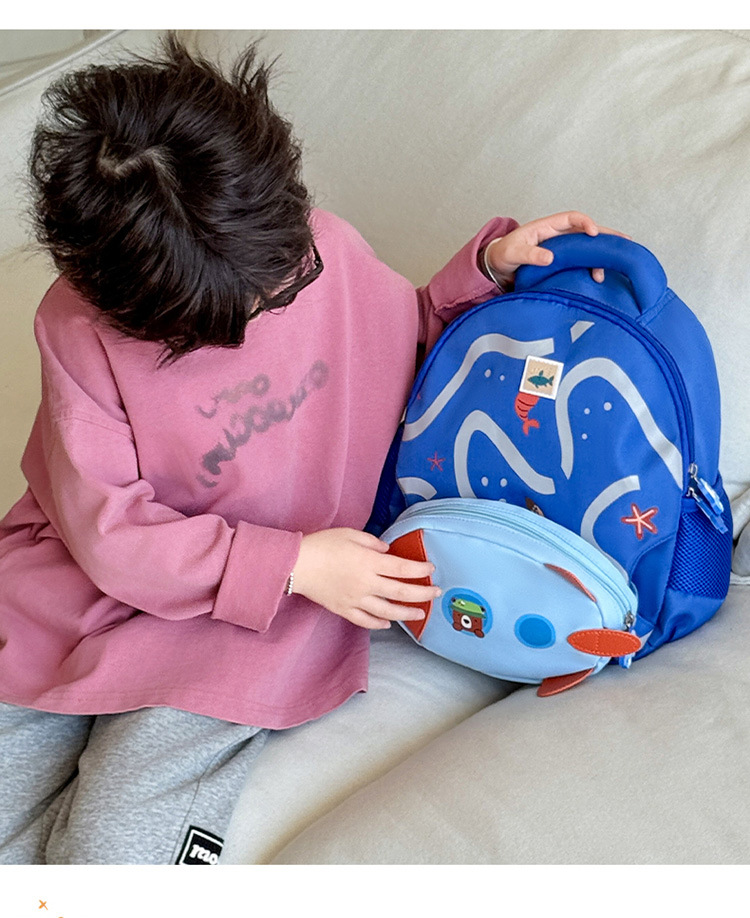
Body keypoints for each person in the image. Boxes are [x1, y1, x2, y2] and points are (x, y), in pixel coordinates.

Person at [0, 33, 620, 865]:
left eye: (281, 286)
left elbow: (400, 343)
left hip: (250, 624)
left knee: (112, 856)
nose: (270, 308)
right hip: (85, 593)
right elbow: (107, 532)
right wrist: (287, 562)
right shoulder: (76, 323)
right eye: (230, 317)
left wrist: (487, 271)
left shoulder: (319, 247)